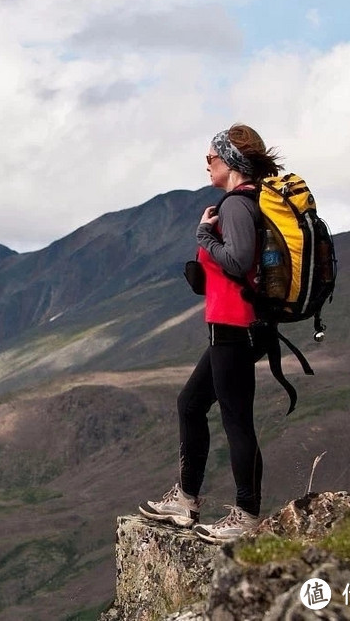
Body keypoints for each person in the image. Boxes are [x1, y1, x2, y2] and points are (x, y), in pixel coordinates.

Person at [138, 124, 283, 544]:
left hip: (235, 328)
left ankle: (246, 515)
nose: (207, 164)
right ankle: (186, 499)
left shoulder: (237, 205)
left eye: (213, 158)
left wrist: (203, 236)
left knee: (237, 422)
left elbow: (237, 261)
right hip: (236, 327)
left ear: (232, 163)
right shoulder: (246, 203)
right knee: (190, 403)